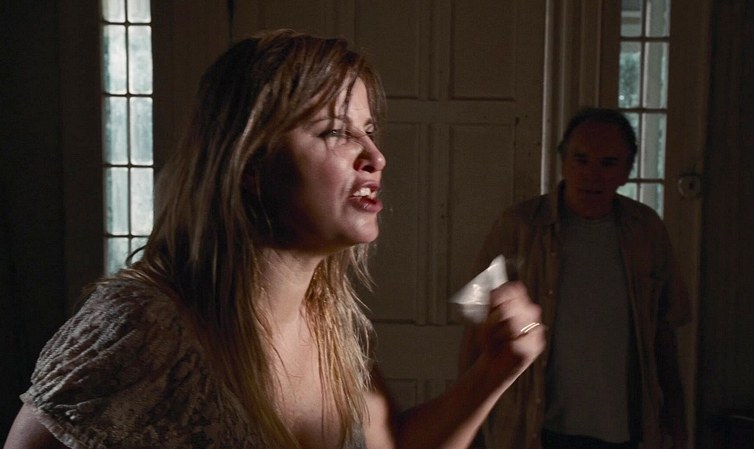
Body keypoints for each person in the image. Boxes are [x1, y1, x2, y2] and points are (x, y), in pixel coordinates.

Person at [3, 29, 545, 449]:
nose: (375, 157)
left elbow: (395, 444)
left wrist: (493, 372)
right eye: (336, 132)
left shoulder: (330, 323)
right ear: (249, 164)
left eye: (369, 131)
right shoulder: (145, 327)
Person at [459, 108, 691, 449]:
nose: (591, 174)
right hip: (535, 426)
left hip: (622, 429)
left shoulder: (645, 230)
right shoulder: (519, 227)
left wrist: (677, 423)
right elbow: (476, 325)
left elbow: (664, 333)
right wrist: (466, 423)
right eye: (581, 160)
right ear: (563, 162)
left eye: (608, 163)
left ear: (627, 171)